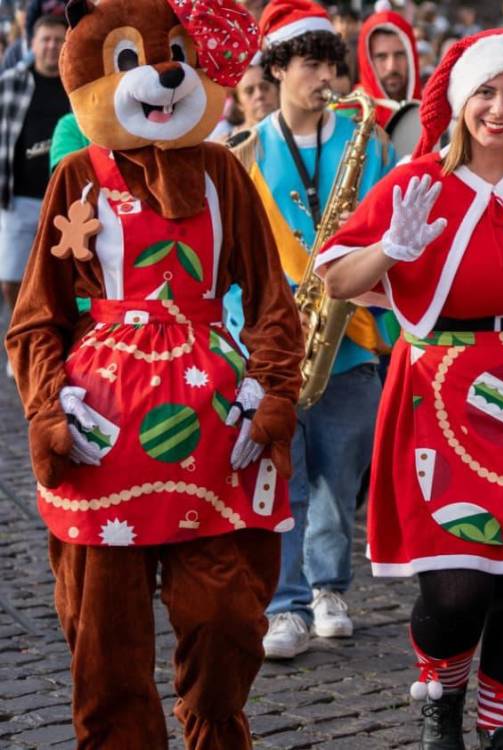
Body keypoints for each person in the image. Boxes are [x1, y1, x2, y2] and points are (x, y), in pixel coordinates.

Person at [4, 0, 303, 743]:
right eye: (135, 59)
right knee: (103, 636)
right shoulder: (77, 175)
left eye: (173, 54)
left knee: (229, 615)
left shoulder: (223, 174)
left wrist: (271, 396)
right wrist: (50, 410)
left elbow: (272, 300)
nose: (163, 74)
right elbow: (38, 316)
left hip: (214, 434)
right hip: (101, 440)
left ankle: (211, 721)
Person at [317, 29, 503, 749]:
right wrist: (392, 250)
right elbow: (333, 279)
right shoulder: (415, 183)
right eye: (486, 92)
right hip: (440, 401)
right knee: (456, 587)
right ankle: (441, 692)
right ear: (459, 99)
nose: (500, 109)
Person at [232, 0, 397, 660]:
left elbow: (389, 234)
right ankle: (288, 602)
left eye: (332, 63)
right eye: (309, 63)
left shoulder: (371, 144)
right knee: (285, 477)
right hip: (271, 343)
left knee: (338, 476)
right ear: (275, 69)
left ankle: (330, 588)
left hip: (349, 339)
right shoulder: (242, 153)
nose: (324, 76)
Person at [0, 11, 67, 338]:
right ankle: (23, 337)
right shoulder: (11, 81)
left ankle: (54, 339)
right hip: (19, 196)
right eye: (46, 40)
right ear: (32, 43)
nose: (52, 47)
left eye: (58, 41)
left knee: (62, 280)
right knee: (11, 279)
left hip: (65, 201)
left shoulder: (77, 86)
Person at [357, 0, 421, 128]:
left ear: (411, 56)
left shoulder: (431, 107)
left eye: (399, 55)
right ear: (368, 60)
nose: (392, 66)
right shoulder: (349, 113)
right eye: (381, 57)